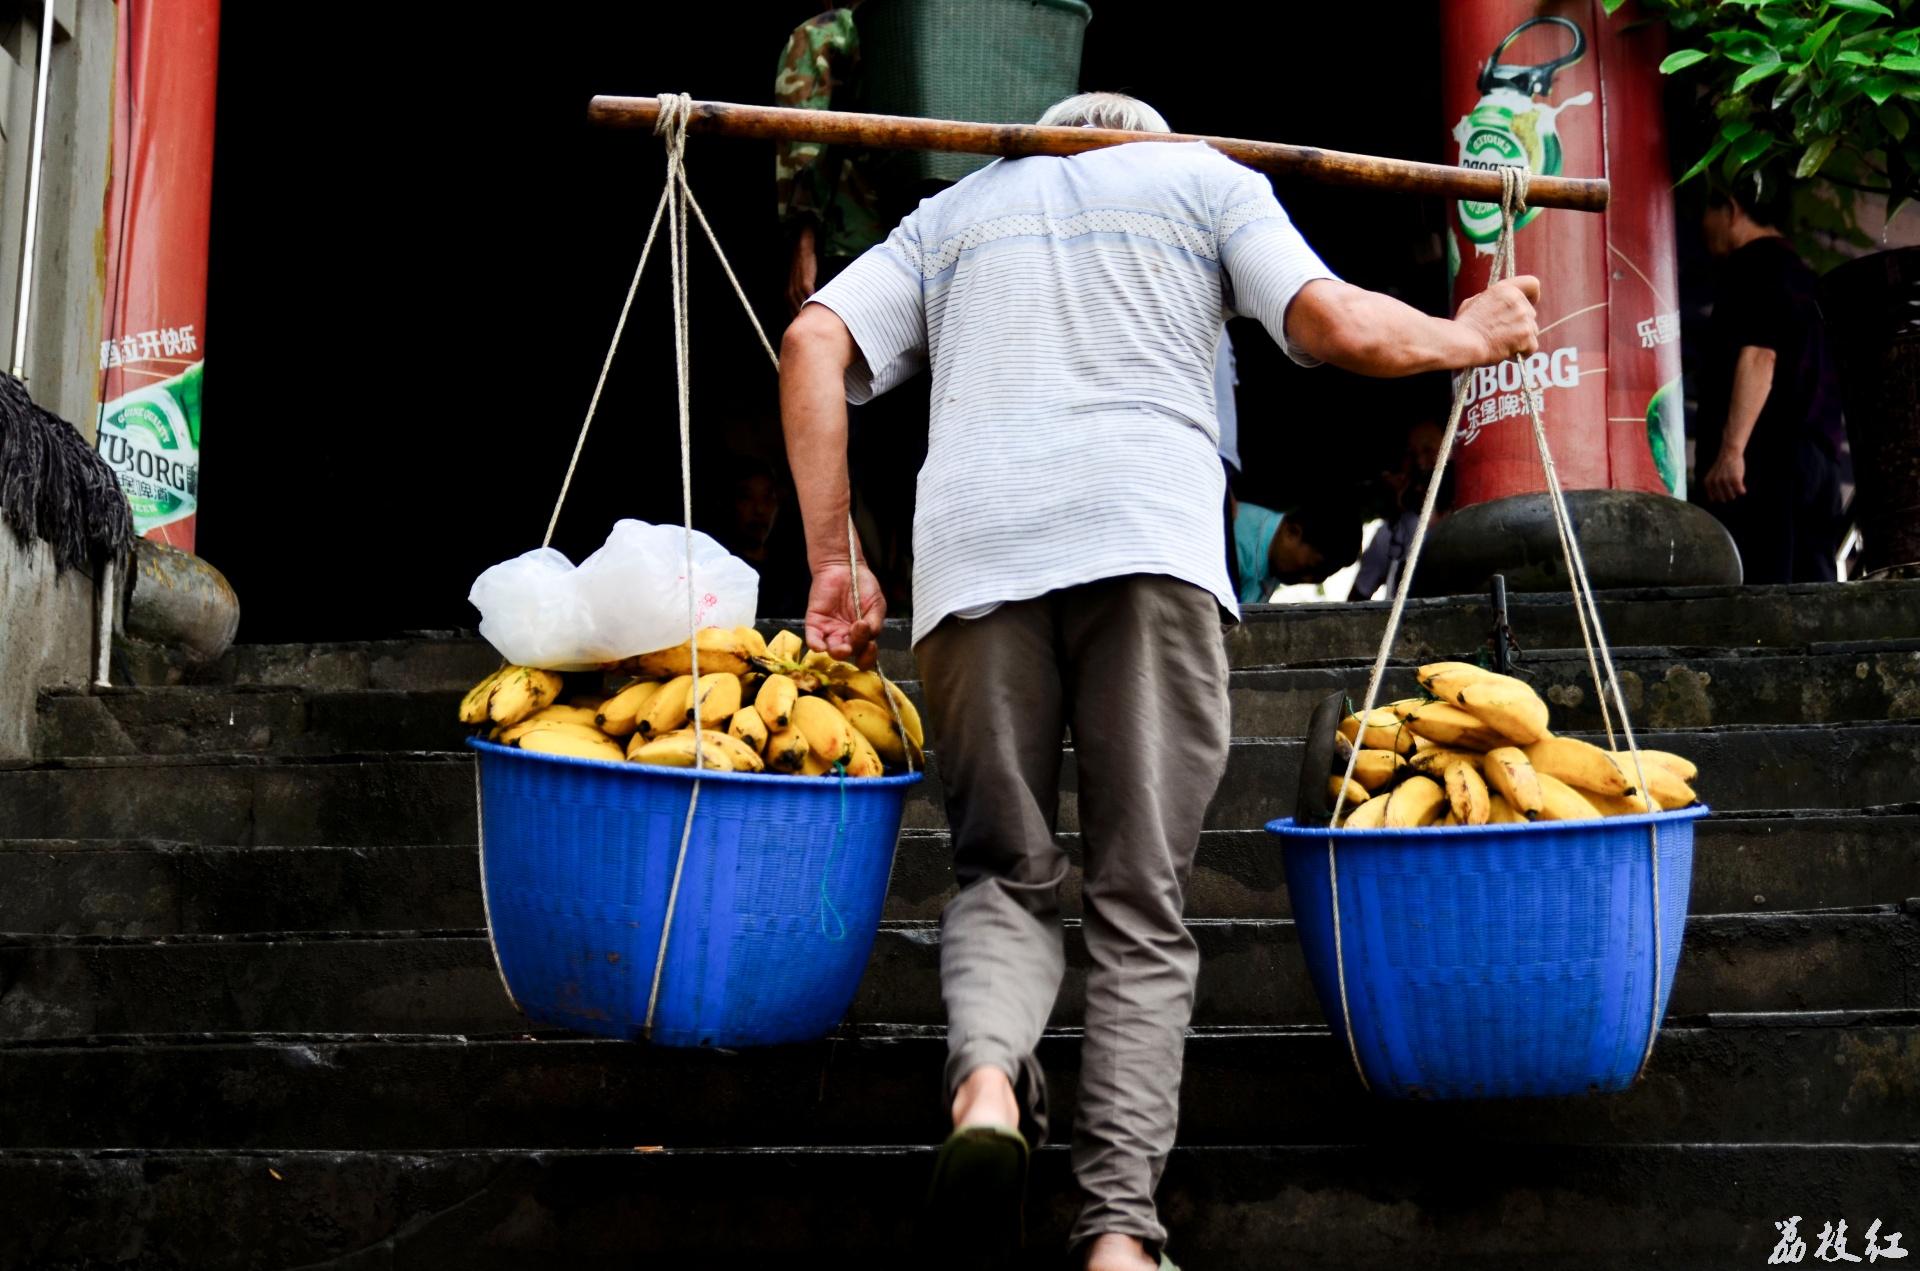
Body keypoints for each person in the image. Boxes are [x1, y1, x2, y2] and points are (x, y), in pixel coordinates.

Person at [779, 92, 1542, 1270]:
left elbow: (811, 342)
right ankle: (1120, 1232)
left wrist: (836, 559)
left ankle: (986, 1082)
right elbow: (1338, 323)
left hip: (975, 556)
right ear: (1152, 133)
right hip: (1148, 534)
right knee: (1140, 897)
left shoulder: (957, 210)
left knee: (1000, 871)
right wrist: (1472, 333)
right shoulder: (1204, 178)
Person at [1695, 172, 1847, 584]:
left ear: (1731, 208)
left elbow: (1760, 355)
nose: (1702, 227)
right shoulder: (1806, 277)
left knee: (1761, 600)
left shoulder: (1753, 263)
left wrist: (1731, 452)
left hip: (1765, 468)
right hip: (1821, 469)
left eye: (1707, 212)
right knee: (1813, 597)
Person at [1350, 417, 1447, 602]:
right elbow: (1356, 599)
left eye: (1428, 450)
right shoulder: (1390, 533)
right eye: (1411, 455)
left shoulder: (1467, 514)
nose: (1420, 462)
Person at [1228, 495, 1362, 602]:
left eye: (1322, 577)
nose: (1308, 580)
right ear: (1291, 532)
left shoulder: (1276, 556)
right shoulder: (1234, 545)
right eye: (1310, 568)